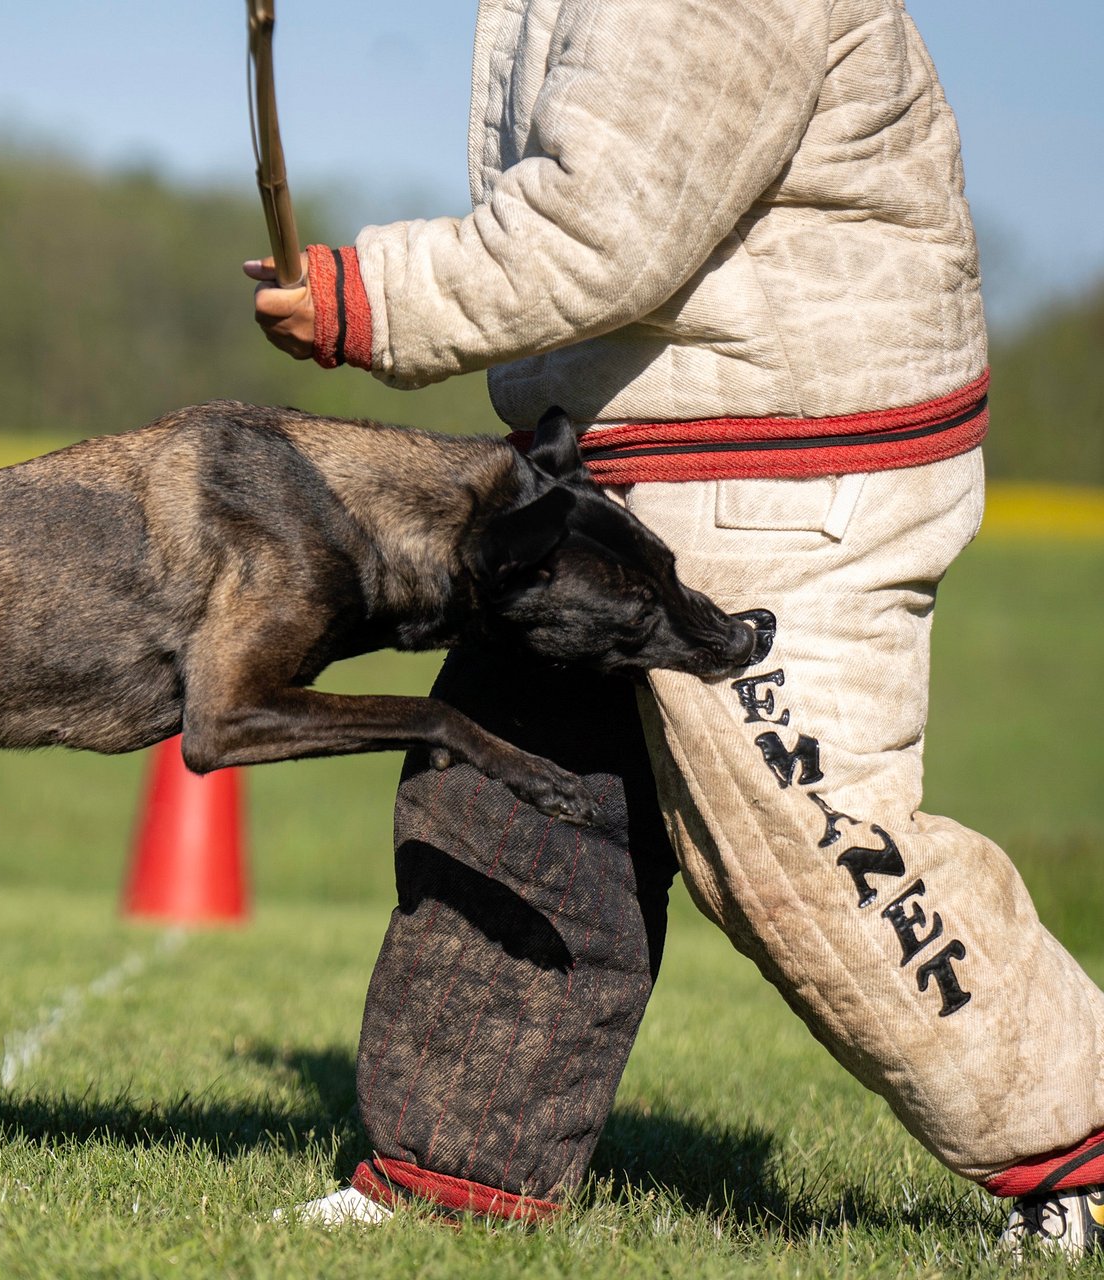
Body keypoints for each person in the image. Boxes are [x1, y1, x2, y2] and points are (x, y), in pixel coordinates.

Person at [246, 0, 1104, 1256]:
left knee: (815, 852)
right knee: (507, 783)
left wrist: (369, 298)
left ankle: (1077, 1140)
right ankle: (451, 1174)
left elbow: (607, 228)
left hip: (792, 467)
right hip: (620, 457)